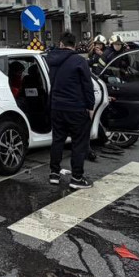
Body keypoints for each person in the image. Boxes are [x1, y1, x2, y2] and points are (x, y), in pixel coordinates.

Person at [46, 31, 96, 189]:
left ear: (61, 43)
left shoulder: (51, 60)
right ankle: (77, 178)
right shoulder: (79, 61)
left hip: (56, 107)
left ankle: (54, 173)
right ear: (74, 45)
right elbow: (88, 86)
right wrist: (90, 107)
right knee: (79, 143)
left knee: (57, 140)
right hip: (76, 108)